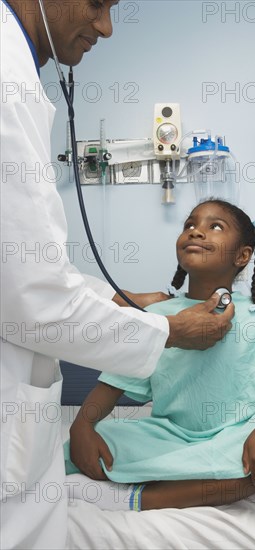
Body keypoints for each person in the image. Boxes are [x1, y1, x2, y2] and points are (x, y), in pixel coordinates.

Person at [0, 3, 234, 549]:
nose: (106, 27)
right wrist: (163, 332)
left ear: (245, 257)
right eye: (97, 2)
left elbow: (23, 277)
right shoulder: (7, 85)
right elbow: (32, 298)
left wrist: (116, 299)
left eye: (216, 227)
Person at [65, 199, 255, 525]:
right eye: (189, 225)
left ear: (242, 255)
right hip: (169, 435)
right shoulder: (157, 318)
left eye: (215, 227)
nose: (196, 231)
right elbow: (110, 387)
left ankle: (132, 498)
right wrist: (83, 426)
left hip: (237, 435)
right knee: (84, 446)